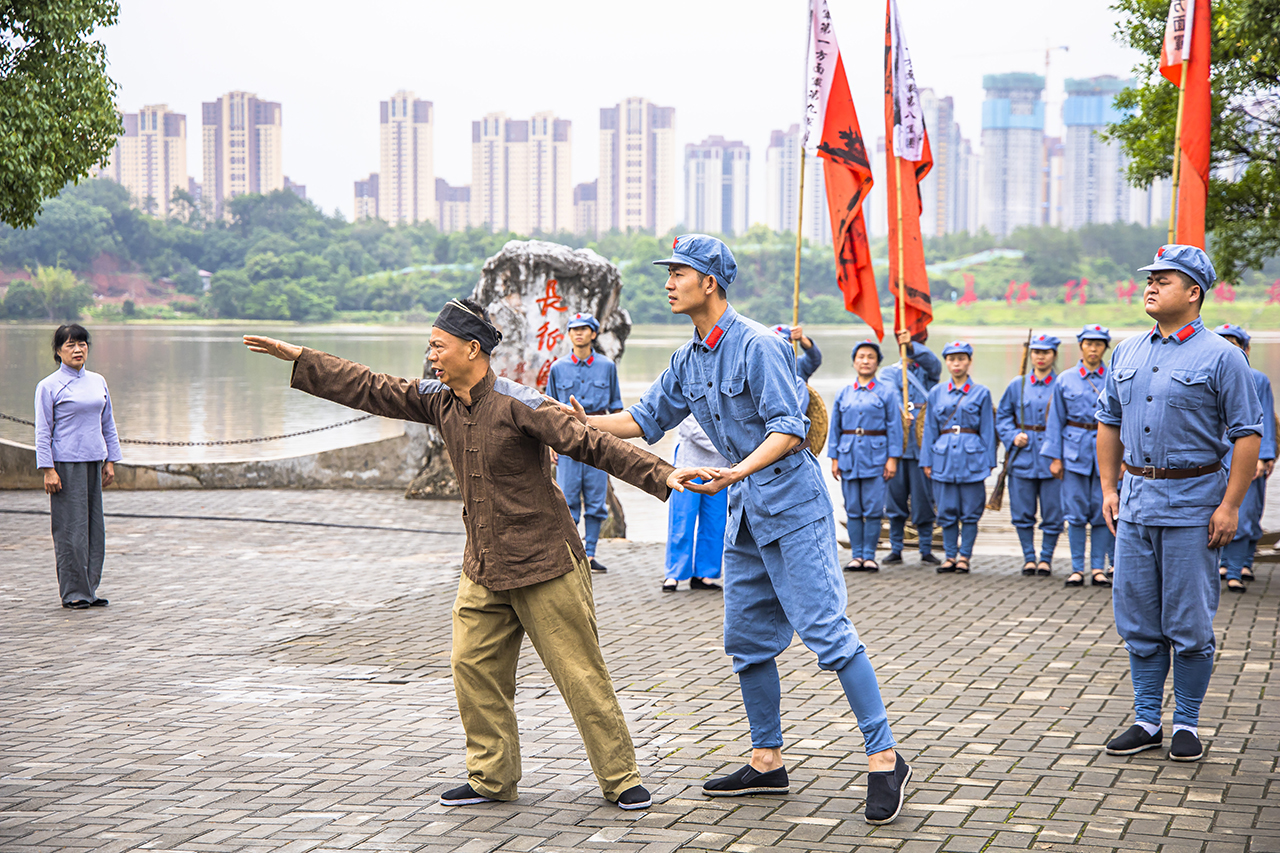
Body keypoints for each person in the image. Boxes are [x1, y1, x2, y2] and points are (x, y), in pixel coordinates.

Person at [243, 299, 715, 811]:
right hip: (485, 566)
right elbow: (373, 388)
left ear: (473, 349)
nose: (431, 358)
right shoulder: (438, 399)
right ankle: (492, 777)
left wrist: (661, 473)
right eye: (429, 348)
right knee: (472, 667)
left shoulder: (520, 402)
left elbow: (589, 444)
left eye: (438, 347)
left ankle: (621, 779)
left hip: (545, 564)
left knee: (580, 674)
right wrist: (303, 358)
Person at [575, 234, 912, 825]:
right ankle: (766, 761)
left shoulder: (759, 346)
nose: (669, 282)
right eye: (669, 272)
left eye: (679, 272)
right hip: (747, 516)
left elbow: (789, 427)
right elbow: (644, 420)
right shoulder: (688, 358)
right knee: (748, 644)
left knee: (828, 635)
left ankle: (885, 758)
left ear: (710, 282)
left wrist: (732, 472)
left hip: (792, 505)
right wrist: (574, 422)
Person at [1097, 245, 1262, 763]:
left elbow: (1247, 434)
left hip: (1194, 506)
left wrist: (1231, 504)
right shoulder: (1126, 352)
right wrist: (1107, 488)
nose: (1150, 286)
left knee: (1189, 624)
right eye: (1149, 278)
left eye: (1164, 280)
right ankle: (1147, 719)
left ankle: (1186, 722)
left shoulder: (1222, 356)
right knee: (1139, 621)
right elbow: (1108, 422)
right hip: (1137, 503)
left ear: (1194, 293)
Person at [34, 324, 121, 610]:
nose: (77, 349)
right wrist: (48, 468)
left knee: (95, 529)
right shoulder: (48, 386)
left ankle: (90, 589)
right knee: (70, 531)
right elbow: (43, 431)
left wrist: (110, 460)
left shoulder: (98, 381)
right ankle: (73, 592)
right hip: (65, 465)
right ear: (58, 351)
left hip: (94, 462)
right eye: (70, 345)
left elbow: (107, 422)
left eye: (82, 344)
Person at [544, 313, 623, 573]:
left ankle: (590, 555)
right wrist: (552, 445)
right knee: (567, 501)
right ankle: (571, 554)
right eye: (573, 329)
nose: (578, 333)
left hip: (597, 439)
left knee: (596, 500)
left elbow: (616, 408)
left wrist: (612, 444)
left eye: (583, 329)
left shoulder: (606, 366)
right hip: (567, 441)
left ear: (593, 334)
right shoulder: (558, 368)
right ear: (568, 335)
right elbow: (549, 411)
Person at [1044, 325, 1116, 587]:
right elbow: (1055, 420)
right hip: (1073, 450)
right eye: (1088, 343)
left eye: (1098, 344)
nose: (1093, 348)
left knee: (1101, 511)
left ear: (1105, 347)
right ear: (1081, 346)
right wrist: (1055, 457)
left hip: (1105, 453)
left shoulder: (1115, 377)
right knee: (1074, 512)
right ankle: (1076, 568)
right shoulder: (1065, 379)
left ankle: (1098, 568)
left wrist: (1122, 460)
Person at [919, 342, 997, 574]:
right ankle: (950, 556)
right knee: (947, 510)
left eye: (961, 359)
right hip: (943, 457)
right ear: (946, 362)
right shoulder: (936, 393)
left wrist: (989, 461)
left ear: (969, 362)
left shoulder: (981, 392)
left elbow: (987, 430)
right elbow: (929, 429)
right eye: (952, 359)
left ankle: (965, 557)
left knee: (971, 512)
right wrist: (927, 460)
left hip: (972, 457)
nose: (956, 363)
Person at [828, 340, 902, 572]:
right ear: (854, 362)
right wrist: (834, 457)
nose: (865, 361)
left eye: (870, 356)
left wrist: (892, 458)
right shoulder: (844, 393)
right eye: (861, 356)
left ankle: (869, 555)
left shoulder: (886, 393)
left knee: (872, 508)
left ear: (877, 362)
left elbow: (894, 427)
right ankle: (855, 556)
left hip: (876, 456)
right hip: (849, 455)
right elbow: (835, 428)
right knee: (853, 508)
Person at [1212, 323, 1276, 592]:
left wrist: (1265, 455)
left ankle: (1236, 570)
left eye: (1234, 341)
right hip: (1218, 455)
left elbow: (1265, 422)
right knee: (1215, 509)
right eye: (1223, 341)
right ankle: (1224, 564)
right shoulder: (1210, 374)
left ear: (1245, 347)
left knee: (1246, 511)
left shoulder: (1257, 378)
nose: (1229, 346)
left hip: (1247, 453)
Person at [996, 334, 1063, 577]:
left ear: (1054, 355)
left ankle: (1046, 558)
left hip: (1051, 457)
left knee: (1053, 512)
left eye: (1046, 352)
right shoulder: (1018, 385)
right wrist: (1012, 435)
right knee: (1022, 513)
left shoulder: (1062, 383)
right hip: (1022, 457)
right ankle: (1028, 557)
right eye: (1036, 352)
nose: (1040, 356)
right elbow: (1002, 416)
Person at [879, 330, 943, 565]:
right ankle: (896, 548)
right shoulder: (889, 372)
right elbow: (890, 392)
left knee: (924, 500)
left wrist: (913, 347)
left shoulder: (928, 372)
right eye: (905, 345)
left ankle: (925, 549)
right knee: (895, 501)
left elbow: (934, 363)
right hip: (897, 446)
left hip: (923, 447)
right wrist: (900, 410)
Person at [664, 415, 728, 592]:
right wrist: (727, 446)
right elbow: (691, 429)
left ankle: (704, 574)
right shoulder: (690, 391)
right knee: (682, 521)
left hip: (719, 470)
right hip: (688, 465)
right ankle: (674, 574)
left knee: (715, 523)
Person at [771, 324, 822, 411]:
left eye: (783, 343)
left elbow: (815, 359)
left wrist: (801, 339)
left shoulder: (798, 365)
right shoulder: (763, 366)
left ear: (791, 343)